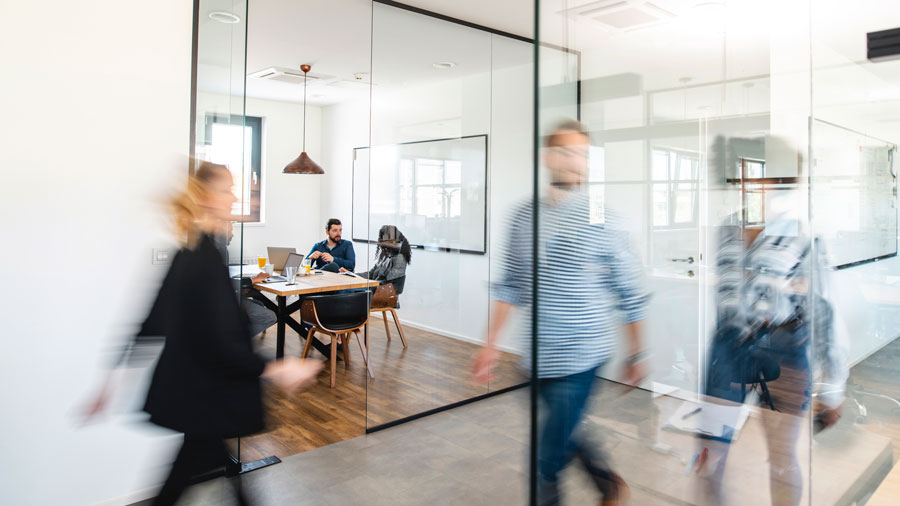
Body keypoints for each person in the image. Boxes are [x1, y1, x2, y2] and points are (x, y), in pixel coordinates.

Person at [84, 161, 322, 506]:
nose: (233, 196)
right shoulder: (202, 256)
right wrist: (274, 369)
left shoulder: (192, 250)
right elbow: (216, 337)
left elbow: (153, 320)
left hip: (199, 392)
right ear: (206, 197)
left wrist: (110, 379)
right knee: (191, 475)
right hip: (206, 392)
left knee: (191, 472)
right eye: (226, 189)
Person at [471, 120, 650, 506]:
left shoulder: (603, 215)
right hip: (534, 358)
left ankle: (589, 485)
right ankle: (606, 480)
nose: (577, 163)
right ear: (548, 157)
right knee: (566, 433)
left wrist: (638, 352)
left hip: (582, 354)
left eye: (584, 155)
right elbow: (511, 285)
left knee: (544, 461)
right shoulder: (523, 216)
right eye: (568, 153)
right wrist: (490, 346)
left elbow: (629, 290)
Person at [698, 193, 848, 506]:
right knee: (711, 453)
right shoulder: (726, 228)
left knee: (781, 458)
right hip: (728, 347)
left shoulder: (803, 233)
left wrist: (833, 385)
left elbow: (824, 308)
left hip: (783, 347)